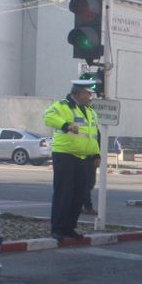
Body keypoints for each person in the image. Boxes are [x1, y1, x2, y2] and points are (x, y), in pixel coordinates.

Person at [44, 78, 100, 240]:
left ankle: (69, 227)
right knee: (64, 192)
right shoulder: (62, 106)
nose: (90, 97)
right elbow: (47, 117)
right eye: (88, 94)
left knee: (80, 193)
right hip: (65, 154)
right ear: (80, 93)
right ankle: (58, 229)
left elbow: (93, 135)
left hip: (84, 157)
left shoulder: (89, 111)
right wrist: (65, 125)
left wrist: (96, 154)